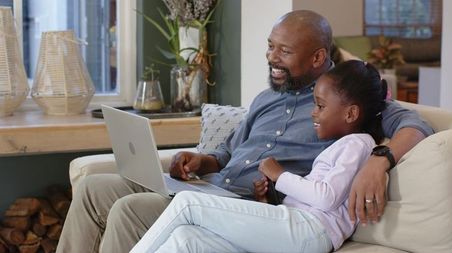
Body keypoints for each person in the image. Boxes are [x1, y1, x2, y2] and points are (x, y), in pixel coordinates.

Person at [57, 10, 433, 253]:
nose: (271, 57)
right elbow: (229, 149)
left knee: (128, 210)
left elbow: (417, 125)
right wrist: (203, 160)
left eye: (283, 51)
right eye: (270, 47)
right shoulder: (266, 99)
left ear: (318, 57)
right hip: (210, 185)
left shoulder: (347, 102)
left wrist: (379, 161)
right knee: (93, 187)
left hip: (245, 208)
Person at [131, 60, 391, 253]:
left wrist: (280, 175)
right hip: (298, 229)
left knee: (188, 203)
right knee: (185, 239)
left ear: (350, 114)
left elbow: (326, 197)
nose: (313, 113)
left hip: (312, 231)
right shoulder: (343, 144)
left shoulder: (358, 143)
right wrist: (266, 201)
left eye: (320, 106)